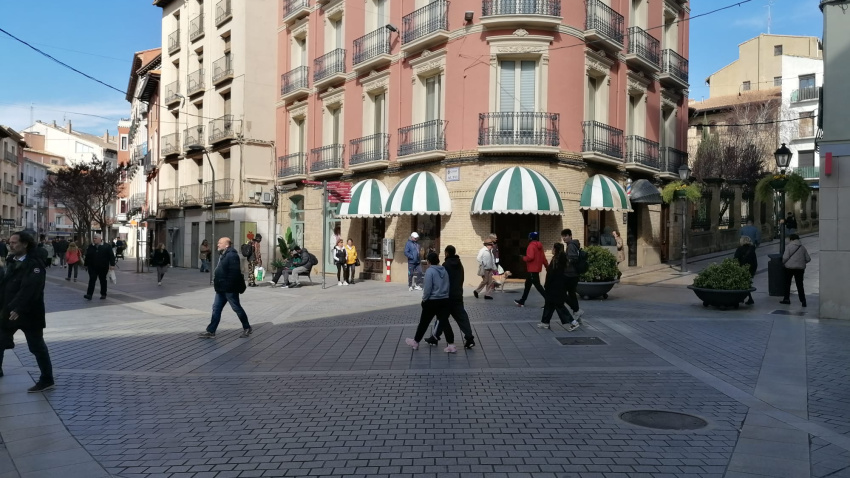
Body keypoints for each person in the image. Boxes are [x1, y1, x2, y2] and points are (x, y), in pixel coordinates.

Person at [0, 231, 55, 392]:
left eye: (15, 242)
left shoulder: (35, 265)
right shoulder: (12, 261)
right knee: (0, 340)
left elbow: (30, 289)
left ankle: (47, 379)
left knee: (37, 347)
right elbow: (5, 286)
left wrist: (19, 308)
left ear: (25, 244)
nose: (11, 245)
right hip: (9, 311)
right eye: (10, 242)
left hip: (29, 313)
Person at [199, 237, 252, 338]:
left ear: (227, 245)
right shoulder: (224, 254)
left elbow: (234, 274)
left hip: (229, 289)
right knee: (216, 308)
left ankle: (247, 328)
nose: (218, 244)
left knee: (236, 308)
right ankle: (211, 331)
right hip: (221, 289)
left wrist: (228, 287)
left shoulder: (232, 255)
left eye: (220, 243)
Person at [424, 245, 475, 349]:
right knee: (462, 317)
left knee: (441, 317)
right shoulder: (460, 264)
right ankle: (469, 338)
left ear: (446, 253)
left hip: (447, 296)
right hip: (458, 295)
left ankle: (435, 337)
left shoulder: (445, 265)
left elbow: (442, 281)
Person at [405, 252, 456, 353]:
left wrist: (424, 299)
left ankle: (415, 342)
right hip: (444, 300)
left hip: (432, 301)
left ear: (428, 261)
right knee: (445, 322)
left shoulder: (430, 271)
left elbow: (427, 288)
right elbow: (448, 284)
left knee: (424, 322)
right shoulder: (444, 270)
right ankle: (451, 345)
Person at [539, 243, 579, 330]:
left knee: (559, 306)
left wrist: (546, 285)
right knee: (549, 304)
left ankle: (573, 322)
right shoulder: (562, 259)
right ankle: (545, 322)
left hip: (554, 287)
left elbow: (550, 275)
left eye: (553, 248)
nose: (552, 250)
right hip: (560, 286)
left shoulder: (556, 260)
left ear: (555, 249)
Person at [515, 232, 549, 307]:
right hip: (536, 269)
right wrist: (547, 266)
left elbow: (530, 257)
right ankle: (522, 301)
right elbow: (543, 258)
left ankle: (549, 301)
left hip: (532, 269)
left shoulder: (531, 246)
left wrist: (523, 258)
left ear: (530, 238)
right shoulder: (540, 246)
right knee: (527, 285)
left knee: (538, 286)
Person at [780, 234, 811, 307]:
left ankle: (786, 299)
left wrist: (783, 263)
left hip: (789, 268)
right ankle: (803, 301)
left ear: (791, 239)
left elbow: (785, 257)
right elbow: (808, 259)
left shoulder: (789, 247)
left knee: (787, 284)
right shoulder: (802, 247)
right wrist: (801, 262)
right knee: (800, 285)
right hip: (800, 269)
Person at [561, 229, 584, 326]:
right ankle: (577, 314)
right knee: (572, 294)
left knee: (562, 294)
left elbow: (573, 258)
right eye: (563, 236)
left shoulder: (571, 246)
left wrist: (566, 261)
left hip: (570, 274)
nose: (564, 238)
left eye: (565, 236)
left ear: (570, 236)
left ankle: (577, 310)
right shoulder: (573, 245)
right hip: (573, 274)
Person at [83, 235, 116, 300]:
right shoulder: (91, 246)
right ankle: (89, 294)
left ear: (100, 239)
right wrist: (86, 265)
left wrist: (112, 265)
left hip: (103, 267)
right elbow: (87, 256)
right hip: (92, 267)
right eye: (93, 238)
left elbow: (111, 256)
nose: (94, 239)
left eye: (95, 238)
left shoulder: (107, 246)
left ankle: (103, 294)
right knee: (92, 280)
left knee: (103, 280)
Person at [734, 236, 758, 305]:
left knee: (740, 284)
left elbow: (735, 259)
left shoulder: (740, 249)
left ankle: (742, 298)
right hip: (750, 270)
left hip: (741, 269)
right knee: (746, 284)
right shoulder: (752, 250)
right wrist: (753, 271)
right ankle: (748, 298)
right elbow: (755, 262)